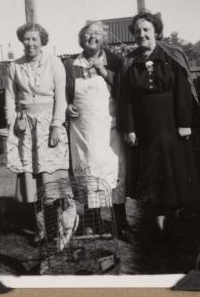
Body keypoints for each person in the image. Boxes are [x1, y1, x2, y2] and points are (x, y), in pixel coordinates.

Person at [119, 10, 200, 235]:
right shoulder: (130, 61)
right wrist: (130, 128)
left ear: (156, 31)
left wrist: (184, 123)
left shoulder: (172, 55)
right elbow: (126, 99)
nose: (141, 34)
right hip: (146, 129)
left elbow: (183, 91)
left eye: (146, 29)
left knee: (175, 172)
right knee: (154, 177)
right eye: (137, 31)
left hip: (171, 124)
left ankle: (178, 220)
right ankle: (160, 226)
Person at [5, 23, 77, 245]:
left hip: (49, 126)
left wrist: (57, 124)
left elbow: (61, 97)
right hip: (26, 129)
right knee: (33, 181)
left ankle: (63, 228)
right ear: (22, 41)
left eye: (34, 39)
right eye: (26, 39)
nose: (30, 43)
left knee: (55, 180)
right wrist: (13, 124)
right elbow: (9, 98)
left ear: (42, 41)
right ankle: (43, 230)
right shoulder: (14, 66)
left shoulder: (54, 63)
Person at [64, 20, 128, 240]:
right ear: (82, 38)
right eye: (88, 33)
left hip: (109, 127)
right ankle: (92, 222)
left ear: (104, 38)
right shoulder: (70, 64)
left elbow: (123, 87)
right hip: (83, 130)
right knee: (88, 171)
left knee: (113, 173)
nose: (92, 37)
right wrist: (67, 106)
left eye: (97, 34)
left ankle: (121, 223)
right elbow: (64, 93)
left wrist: (104, 71)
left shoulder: (115, 60)